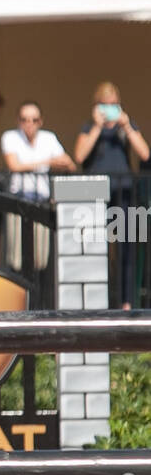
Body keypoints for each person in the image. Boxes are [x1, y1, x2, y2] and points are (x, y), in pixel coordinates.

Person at [74, 82, 149, 308]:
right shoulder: (89, 128)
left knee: (127, 248)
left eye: (114, 105)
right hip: (95, 196)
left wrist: (126, 127)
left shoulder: (126, 128)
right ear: (96, 106)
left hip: (125, 194)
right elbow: (79, 156)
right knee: (95, 249)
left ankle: (126, 301)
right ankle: (98, 301)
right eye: (105, 105)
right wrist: (97, 127)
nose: (109, 110)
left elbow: (145, 154)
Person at [1, 101, 76, 270]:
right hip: (18, 202)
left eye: (34, 120)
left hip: (41, 202)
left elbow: (70, 164)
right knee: (16, 259)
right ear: (18, 121)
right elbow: (14, 166)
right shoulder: (10, 137)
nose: (29, 124)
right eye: (24, 119)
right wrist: (48, 162)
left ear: (41, 121)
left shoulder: (48, 138)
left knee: (40, 259)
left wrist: (56, 162)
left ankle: (36, 297)